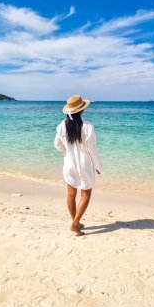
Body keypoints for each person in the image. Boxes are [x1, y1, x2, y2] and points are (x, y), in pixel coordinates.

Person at [54, 95, 103, 236]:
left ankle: (75, 221)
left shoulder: (61, 125)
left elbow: (57, 145)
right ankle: (75, 224)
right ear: (81, 110)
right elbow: (92, 150)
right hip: (85, 164)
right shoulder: (88, 126)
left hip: (69, 164)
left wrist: (67, 152)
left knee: (71, 194)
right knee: (86, 193)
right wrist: (98, 167)